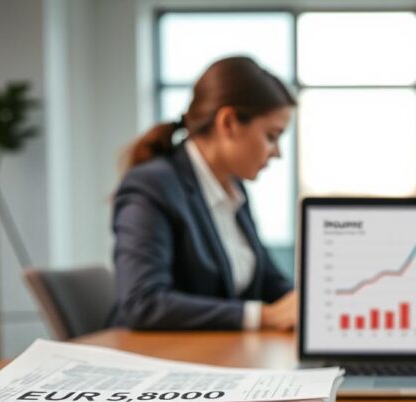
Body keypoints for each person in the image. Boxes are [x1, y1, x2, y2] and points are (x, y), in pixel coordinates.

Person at [109, 56, 297, 331]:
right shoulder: (152, 185)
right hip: (154, 353)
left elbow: (269, 282)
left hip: (218, 352)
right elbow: (143, 302)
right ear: (229, 122)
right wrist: (262, 316)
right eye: (271, 136)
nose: (277, 153)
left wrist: (307, 304)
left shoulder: (234, 189)